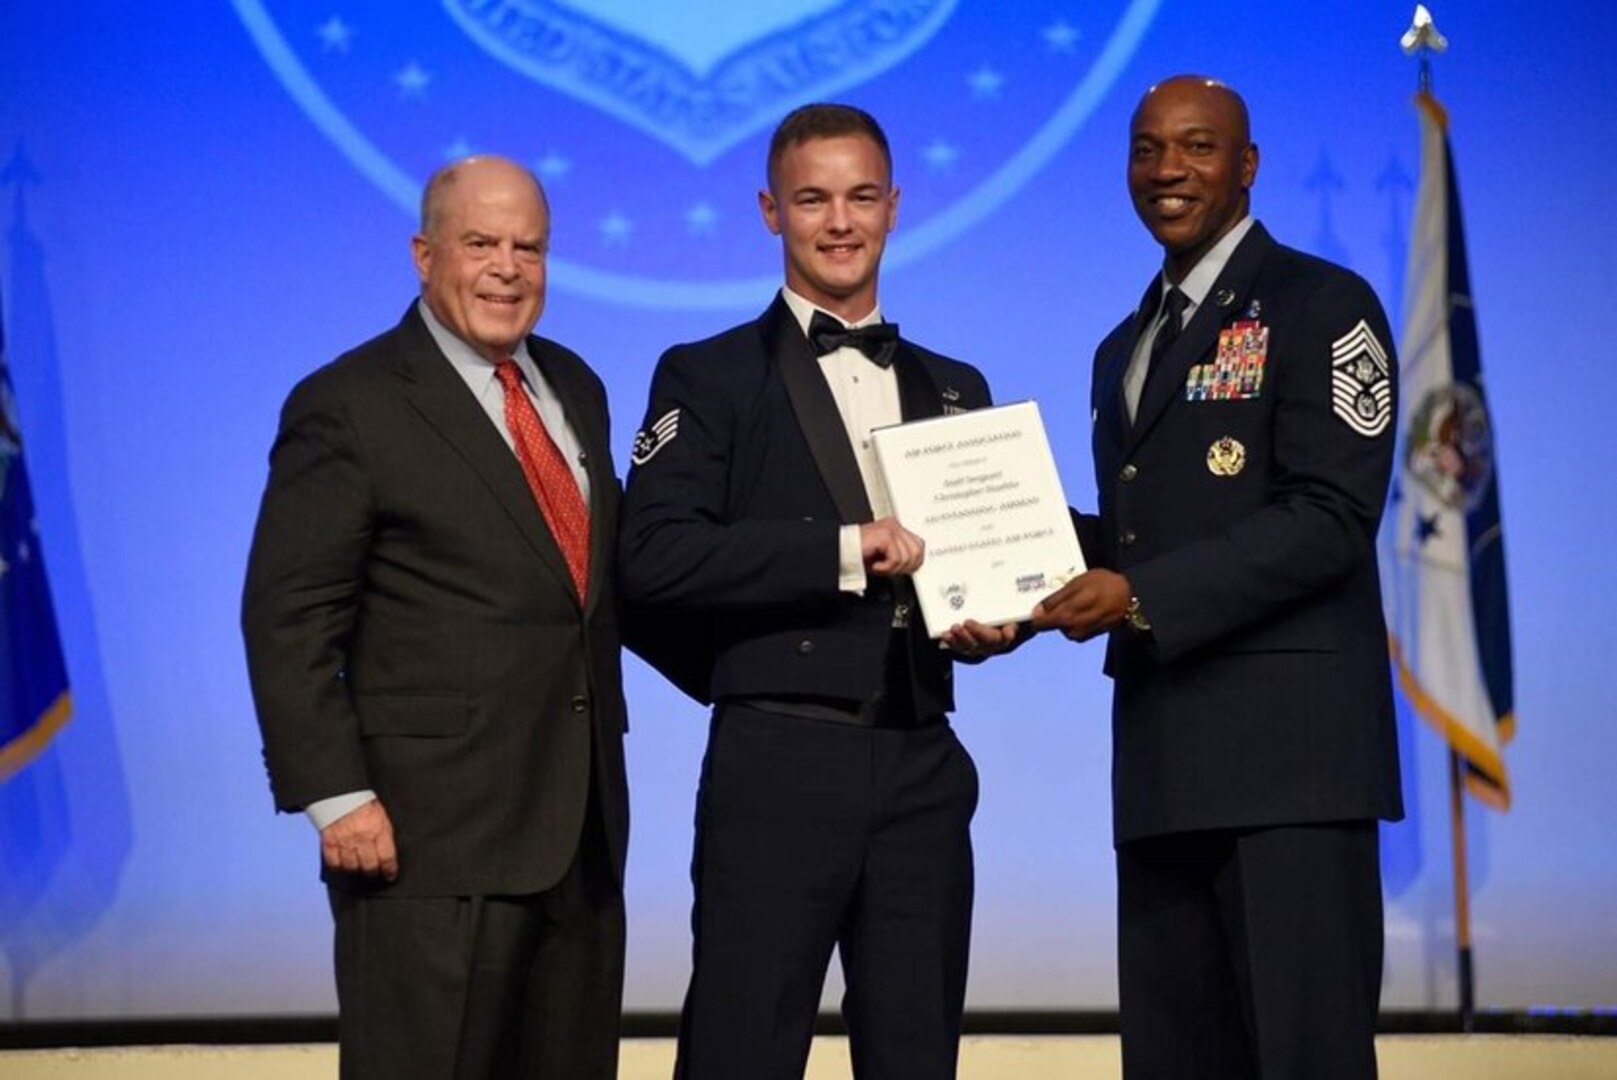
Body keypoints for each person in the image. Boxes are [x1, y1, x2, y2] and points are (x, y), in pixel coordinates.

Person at [619, 103, 1014, 1080]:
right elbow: (654, 556)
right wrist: (844, 549)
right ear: (769, 211)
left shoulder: (957, 385)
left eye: (862, 196)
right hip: (778, 757)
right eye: (812, 199)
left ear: (895, 207)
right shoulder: (707, 374)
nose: (840, 221)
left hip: (925, 761)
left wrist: (997, 619)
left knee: (917, 1056)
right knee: (742, 1053)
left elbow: (979, 562)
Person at [1032, 76, 1403, 1079]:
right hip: (1163, 766)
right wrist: (1021, 541)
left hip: (1292, 771)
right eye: (1146, 149)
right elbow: (1150, 535)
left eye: (1196, 147)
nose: (1166, 170)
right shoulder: (1126, 344)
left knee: (1303, 1059)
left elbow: (1332, 516)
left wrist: (1140, 596)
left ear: (1247, 166)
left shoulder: (1324, 304)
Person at [242, 155, 629, 1080]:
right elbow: (287, 616)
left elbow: (597, 589)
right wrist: (336, 796)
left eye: (528, 247)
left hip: (576, 838)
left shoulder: (574, 385)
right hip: (424, 845)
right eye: (481, 243)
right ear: (424, 254)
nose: (507, 267)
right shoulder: (349, 404)